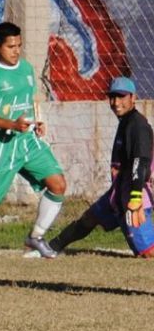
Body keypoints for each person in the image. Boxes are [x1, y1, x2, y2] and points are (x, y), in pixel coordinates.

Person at [0, 21, 67, 270]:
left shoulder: (26, 69)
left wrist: (36, 121)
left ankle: (36, 237)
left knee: (58, 184)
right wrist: (10, 123)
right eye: (10, 46)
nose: (16, 50)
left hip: (26, 140)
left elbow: (26, 102)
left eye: (19, 45)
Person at [50, 77, 154, 256]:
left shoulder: (138, 126)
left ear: (133, 98)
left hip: (134, 196)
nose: (116, 103)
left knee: (147, 253)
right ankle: (51, 247)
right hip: (119, 192)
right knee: (90, 218)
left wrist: (136, 198)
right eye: (112, 97)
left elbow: (141, 161)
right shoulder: (126, 122)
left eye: (121, 97)